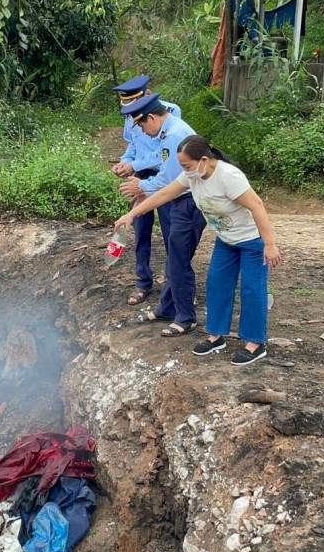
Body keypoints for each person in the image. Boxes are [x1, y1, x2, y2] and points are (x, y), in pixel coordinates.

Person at [114, 136, 281, 366]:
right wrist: (132, 214)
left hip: (252, 241)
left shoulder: (229, 177)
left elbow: (257, 205)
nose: (185, 171)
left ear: (203, 160)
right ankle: (215, 336)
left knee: (252, 289)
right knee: (217, 284)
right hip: (226, 240)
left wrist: (270, 244)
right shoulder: (193, 175)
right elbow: (164, 194)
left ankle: (254, 344)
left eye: (187, 166)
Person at [116, 93, 206, 337]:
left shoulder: (175, 134)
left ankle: (186, 316)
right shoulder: (168, 131)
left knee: (179, 260)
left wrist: (141, 187)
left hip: (189, 204)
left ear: (152, 118)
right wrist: (137, 207)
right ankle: (167, 307)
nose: (144, 132)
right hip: (177, 199)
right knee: (174, 257)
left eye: (143, 125)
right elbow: (168, 185)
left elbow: (169, 180)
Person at [110, 75, 183, 306]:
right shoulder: (131, 116)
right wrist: (125, 162)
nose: (133, 114)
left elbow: (165, 152)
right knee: (140, 228)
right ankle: (143, 281)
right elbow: (133, 144)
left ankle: (174, 285)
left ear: (148, 94)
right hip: (140, 178)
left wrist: (135, 165)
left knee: (172, 231)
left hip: (164, 177)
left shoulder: (170, 113)